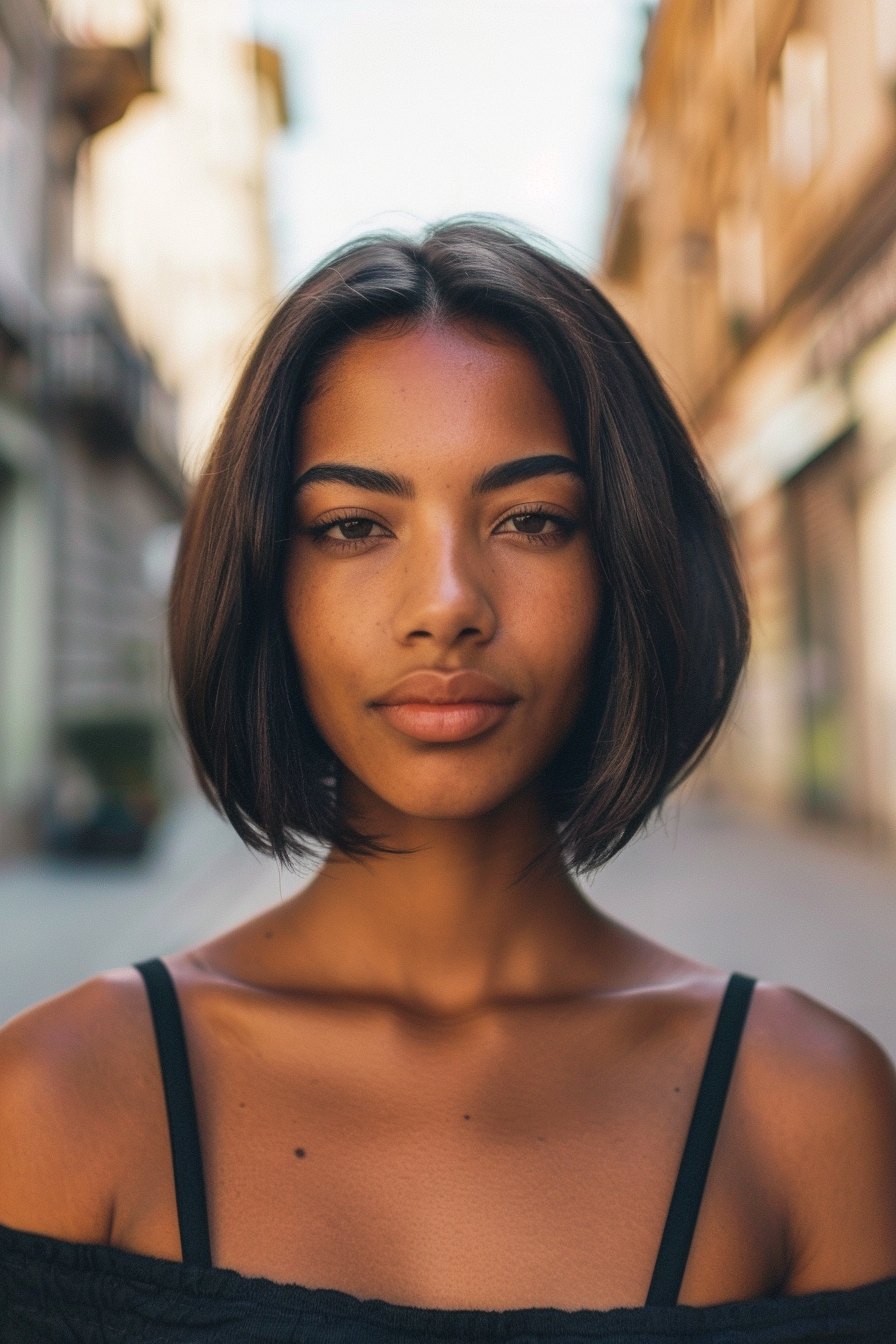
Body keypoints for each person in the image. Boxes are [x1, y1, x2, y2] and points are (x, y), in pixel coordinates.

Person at [1, 221, 894, 1343]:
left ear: (622, 562)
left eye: (529, 520)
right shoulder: (58, 1094)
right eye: (353, 526)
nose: (446, 601)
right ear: (265, 577)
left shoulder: (805, 1106)